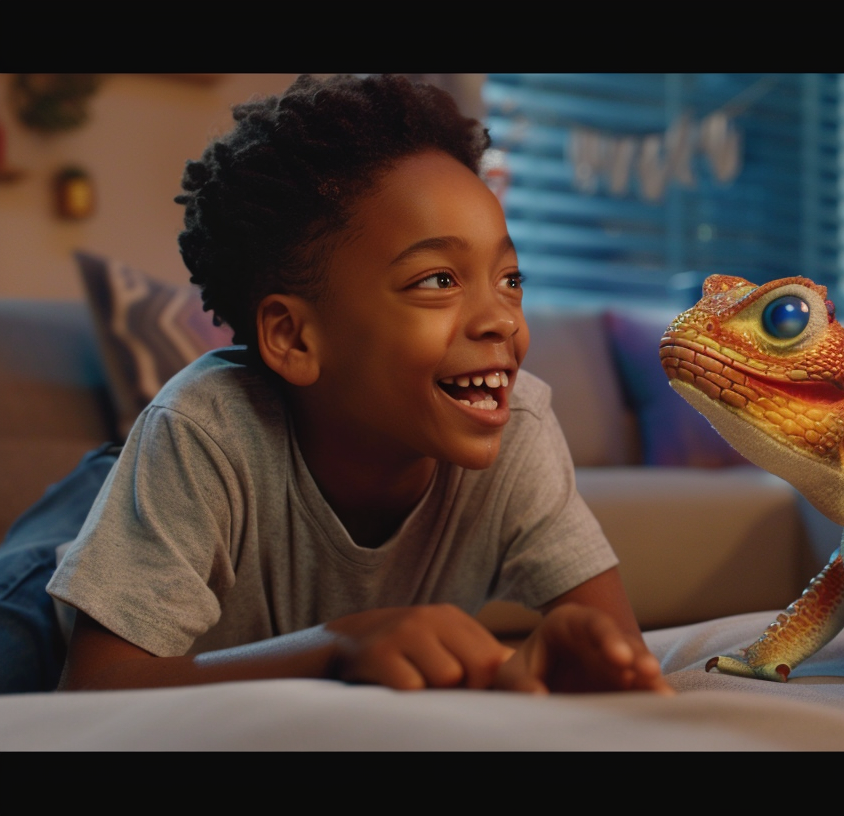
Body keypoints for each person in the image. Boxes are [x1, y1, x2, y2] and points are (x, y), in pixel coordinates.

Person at [14, 74, 670, 695]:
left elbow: (616, 654)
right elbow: (94, 688)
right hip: (62, 567)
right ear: (296, 339)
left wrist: (585, 659)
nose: (502, 317)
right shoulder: (206, 427)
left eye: (510, 279)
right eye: (438, 280)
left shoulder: (518, 426)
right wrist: (333, 649)